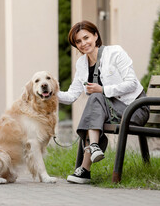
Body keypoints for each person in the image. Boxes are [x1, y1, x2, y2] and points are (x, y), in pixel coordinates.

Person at [57, 20, 149, 184]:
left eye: (86, 37)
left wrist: (104, 89)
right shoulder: (81, 64)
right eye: (78, 41)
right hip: (109, 112)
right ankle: (93, 150)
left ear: (96, 35)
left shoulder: (115, 52)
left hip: (134, 109)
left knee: (96, 97)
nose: (83, 43)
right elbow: (72, 95)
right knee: (94, 103)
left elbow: (132, 83)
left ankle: (85, 167)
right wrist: (50, 94)